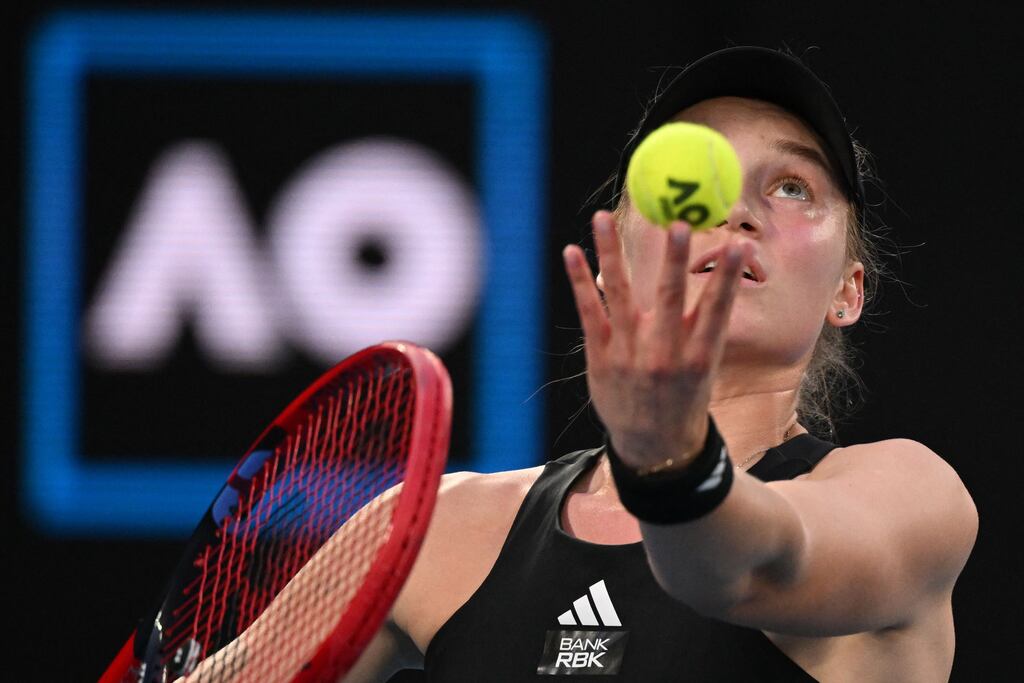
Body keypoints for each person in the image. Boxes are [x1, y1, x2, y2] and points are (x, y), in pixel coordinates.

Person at [191, 46, 978, 682]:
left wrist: (669, 460)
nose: (736, 211)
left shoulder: (911, 498)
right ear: (614, 269)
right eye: (685, 183)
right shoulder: (431, 529)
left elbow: (747, 567)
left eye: (792, 185)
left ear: (849, 288)